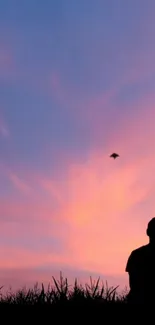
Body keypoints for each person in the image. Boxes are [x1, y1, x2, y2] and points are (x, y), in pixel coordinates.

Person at [126, 218, 155, 304]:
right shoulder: (137, 254)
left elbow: (133, 284)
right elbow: (134, 285)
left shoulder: (136, 254)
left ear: (147, 232)